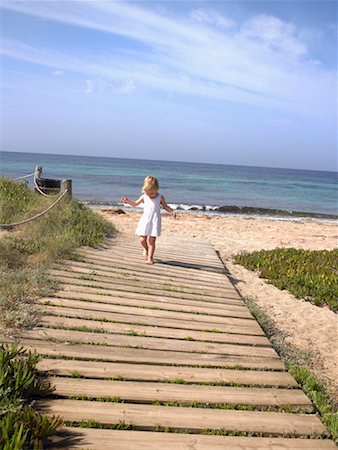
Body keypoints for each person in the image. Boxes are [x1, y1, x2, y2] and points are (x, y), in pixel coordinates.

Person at [120, 176, 176, 265]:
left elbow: (165, 206)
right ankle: (146, 249)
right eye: (149, 193)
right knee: (142, 240)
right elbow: (135, 204)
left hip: (155, 221)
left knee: (152, 241)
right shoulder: (144, 197)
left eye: (153, 193)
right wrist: (128, 201)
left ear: (157, 189)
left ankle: (150, 258)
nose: (151, 195)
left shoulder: (160, 197)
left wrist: (171, 211)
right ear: (145, 191)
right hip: (145, 220)